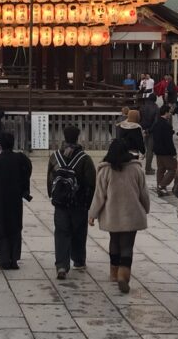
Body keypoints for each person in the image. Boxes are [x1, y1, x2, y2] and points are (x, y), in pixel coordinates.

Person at [88, 138, 150, 294]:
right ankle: (124, 274)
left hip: (112, 214)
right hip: (132, 213)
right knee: (127, 245)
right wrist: (146, 208)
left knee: (114, 241)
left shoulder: (105, 170)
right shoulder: (136, 169)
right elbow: (144, 192)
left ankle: (114, 273)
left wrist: (92, 214)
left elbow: (99, 195)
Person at [47, 125, 96, 279]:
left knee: (61, 232)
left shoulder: (55, 156)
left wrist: (53, 195)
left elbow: (50, 178)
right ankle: (79, 260)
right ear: (78, 137)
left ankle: (61, 265)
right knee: (79, 231)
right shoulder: (85, 159)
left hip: (60, 203)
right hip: (79, 203)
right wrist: (88, 203)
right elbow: (91, 182)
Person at [0, 131, 33, 270]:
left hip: (1, 201)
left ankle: (5, 259)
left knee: (3, 229)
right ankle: (14, 259)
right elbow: (28, 169)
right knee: (16, 228)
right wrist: (24, 189)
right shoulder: (20, 159)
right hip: (16, 200)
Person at [151, 105, 178, 197]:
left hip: (158, 150)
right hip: (166, 151)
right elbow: (168, 141)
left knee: (161, 169)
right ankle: (162, 185)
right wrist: (173, 152)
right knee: (173, 169)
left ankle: (160, 189)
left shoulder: (157, 123)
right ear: (166, 112)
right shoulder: (166, 125)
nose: (170, 114)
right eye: (169, 112)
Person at [139, 94, 159, 175]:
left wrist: (142, 129)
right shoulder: (156, 108)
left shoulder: (142, 106)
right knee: (150, 150)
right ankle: (148, 168)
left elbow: (139, 118)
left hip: (142, 129)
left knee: (145, 148)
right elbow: (156, 121)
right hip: (151, 131)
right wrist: (149, 130)